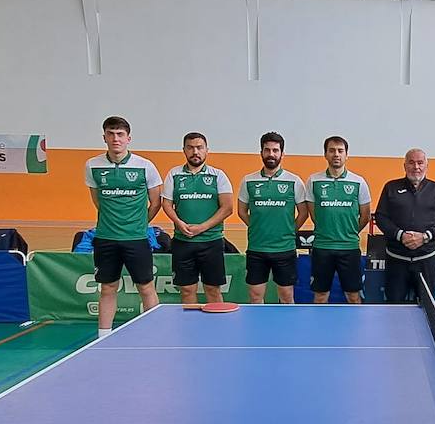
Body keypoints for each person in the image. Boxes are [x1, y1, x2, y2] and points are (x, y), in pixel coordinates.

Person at [83, 116, 163, 337]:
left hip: (136, 239)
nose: (115, 138)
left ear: (129, 138)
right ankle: (103, 336)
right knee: (107, 288)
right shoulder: (92, 165)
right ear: (104, 137)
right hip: (106, 238)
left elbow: (155, 202)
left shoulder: (145, 166)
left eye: (120, 134)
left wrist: (139, 223)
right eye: (111, 134)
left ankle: (157, 334)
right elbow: (97, 201)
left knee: (146, 287)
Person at [161, 131, 234, 306]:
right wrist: (179, 223)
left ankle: (216, 323)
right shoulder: (174, 174)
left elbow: (227, 208)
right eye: (190, 148)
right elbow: (166, 204)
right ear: (184, 150)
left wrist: (202, 227)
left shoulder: (218, 175)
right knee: (187, 290)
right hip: (182, 242)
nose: (195, 152)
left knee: (213, 289)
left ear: (207, 150)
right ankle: (189, 323)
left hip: (212, 242)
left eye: (199, 147)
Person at [237, 132, 308, 304]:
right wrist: (256, 227)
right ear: (261, 152)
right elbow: (242, 211)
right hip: (257, 248)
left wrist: (290, 230)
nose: (271, 154)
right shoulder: (248, 181)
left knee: (286, 296)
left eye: (275, 150)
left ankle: (287, 323)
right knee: (255, 297)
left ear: (282, 154)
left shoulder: (294, 181)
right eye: (267, 150)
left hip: (285, 249)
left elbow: (303, 213)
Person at [373, 148, 435, 303]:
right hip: (396, 259)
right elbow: (381, 217)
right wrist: (400, 235)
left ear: (427, 166)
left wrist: (425, 237)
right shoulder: (390, 187)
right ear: (404, 166)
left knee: (426, 307)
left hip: (426, 259)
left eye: (420, 163)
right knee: (393, 307)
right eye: (411, 162)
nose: (416, 167)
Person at [306, 136, 371, 303]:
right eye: (332, 150)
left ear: (346, 155)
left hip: (349, 248)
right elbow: (313, 213)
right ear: (325, 154)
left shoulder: (359, 182)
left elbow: (365, 215)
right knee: (320, 296)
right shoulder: (313, 180)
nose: (336, 154)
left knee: (353, 297)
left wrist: (350, 232)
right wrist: (326, 229)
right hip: (322, 247)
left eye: (340, 151)